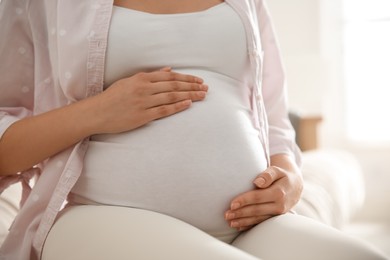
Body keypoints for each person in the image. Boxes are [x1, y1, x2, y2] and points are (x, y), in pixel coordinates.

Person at [0, 0, 387, 259]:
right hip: (100, 216)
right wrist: (98, 111)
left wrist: (290, 179)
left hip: (247, 224)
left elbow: (272, 114)